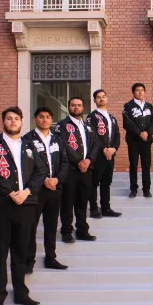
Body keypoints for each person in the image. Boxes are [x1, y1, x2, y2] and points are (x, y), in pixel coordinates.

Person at [0, 106, 46, 305]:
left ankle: (20, 292)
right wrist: (10, 191)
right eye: (9, 118)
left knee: (21, 251)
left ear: (21, 121)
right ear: (3, 122)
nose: (13, 121)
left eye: (16, 118)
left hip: (26, 205)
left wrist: (27, 192)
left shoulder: (30, 146)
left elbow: (41, 170)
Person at [23, 106, 69, 273]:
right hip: (36, 190)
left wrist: (57, 179)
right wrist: (43, 180)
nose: (45, 120)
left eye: (48, 117)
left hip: (54, 189)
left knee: (51, 225)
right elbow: (28, 164)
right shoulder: (27, 139)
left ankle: (51, 257)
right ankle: (29, 260)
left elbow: (65, 163)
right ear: (35, 119)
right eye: (41, 117)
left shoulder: (58, 139)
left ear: (51, 120)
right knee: (31, 226)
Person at [55, 97, 99, 243]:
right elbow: (63, 145)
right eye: (73, 105)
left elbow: (95, 144)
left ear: (83, 108)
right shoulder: (62, 126)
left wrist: (88, 160)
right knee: (67, 203)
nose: (76, 107)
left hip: (86, 170)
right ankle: (67, 231)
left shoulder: (88, 126)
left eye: (79, 105)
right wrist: (78, 161)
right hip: (70, 170)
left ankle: (82, 230)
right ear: (68, 107)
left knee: (82, 203)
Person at [86, 89, 122, 218]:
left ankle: (106, 208)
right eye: (98, 97)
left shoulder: (112, 118)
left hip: (110, 155)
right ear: (95, 100)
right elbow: (93, 135)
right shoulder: (92, 117)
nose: (101, 99)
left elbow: (117, 135)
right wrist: (103, 149)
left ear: (107, 99)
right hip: (97, 155)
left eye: (103, 96)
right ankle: (94, 208)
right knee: (94, 182)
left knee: (106, 182)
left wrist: (114, 149)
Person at [123, 83, 153, 198]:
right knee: (133, 165)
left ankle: (146, 189)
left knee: (146, 165)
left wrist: (148, 132)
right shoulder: (128, 106)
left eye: (142, 90)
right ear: (133, 93)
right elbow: (127, 123)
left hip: (146, 140)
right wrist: (139, 133)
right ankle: (133, 189)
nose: (140, 92)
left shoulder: (149, 106)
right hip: (133, 141)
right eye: (137, 90)